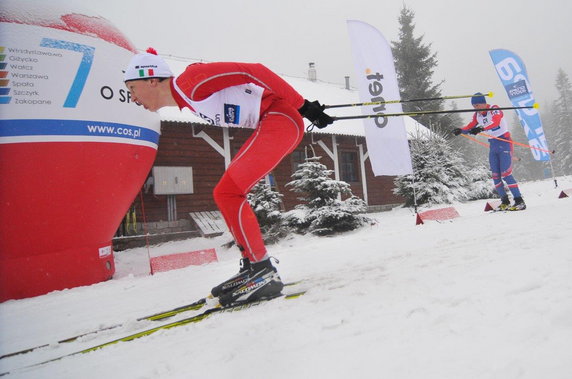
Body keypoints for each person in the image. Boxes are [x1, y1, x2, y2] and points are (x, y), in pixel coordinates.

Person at [124, 48, 333, 306]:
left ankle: (261, 270)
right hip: (276, 120)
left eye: (132, 88)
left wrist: (303, 106)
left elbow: (254, 70)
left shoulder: (190, 81)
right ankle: (253, 266)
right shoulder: (187, 99)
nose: (132, 97)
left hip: (280, 120)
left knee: (228, 192)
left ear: (152, 80)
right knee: (226, 193)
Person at [452, 93, 526, 211]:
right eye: (473, 106)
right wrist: (461, 130)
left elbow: (495, 122)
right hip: (493, 145)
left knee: (506, 174)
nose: (475, 108)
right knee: (496, 176)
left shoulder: (494, 109)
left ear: (483, 103)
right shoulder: (477, 115)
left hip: (504, 142)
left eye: (477, 105)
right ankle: (505, 202)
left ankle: (519, 201)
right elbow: (471, 126)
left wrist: (481, 128)